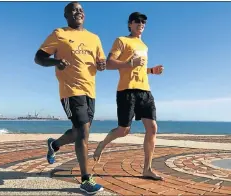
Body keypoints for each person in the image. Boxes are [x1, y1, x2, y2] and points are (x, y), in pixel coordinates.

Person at [34, 2, 106, 194]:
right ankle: (86, 179)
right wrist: (56, 61)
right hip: (70, 90)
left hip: (90, 91)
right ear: (66, 15)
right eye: (74, 9)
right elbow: (39, 58)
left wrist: (101, 65)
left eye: (81, 9)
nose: (78, 12)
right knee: (82, 131)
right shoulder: (59, 34)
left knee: (81, 132)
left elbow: (100, 62)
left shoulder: (94, 38)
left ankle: (54, 144)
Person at [93, 12, 164, 180]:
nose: (141, 24)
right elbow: (109, 64)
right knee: (124, 130)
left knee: (152, 128)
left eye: (144, 22)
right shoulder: (121, 41)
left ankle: (147, 169)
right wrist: (129, 63)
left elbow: (139, 69)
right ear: (130, 24)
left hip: (145, 90)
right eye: (137, 21)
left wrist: (151, 71)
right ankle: (102, 144)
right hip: (127, 90)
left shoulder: (144, 46)